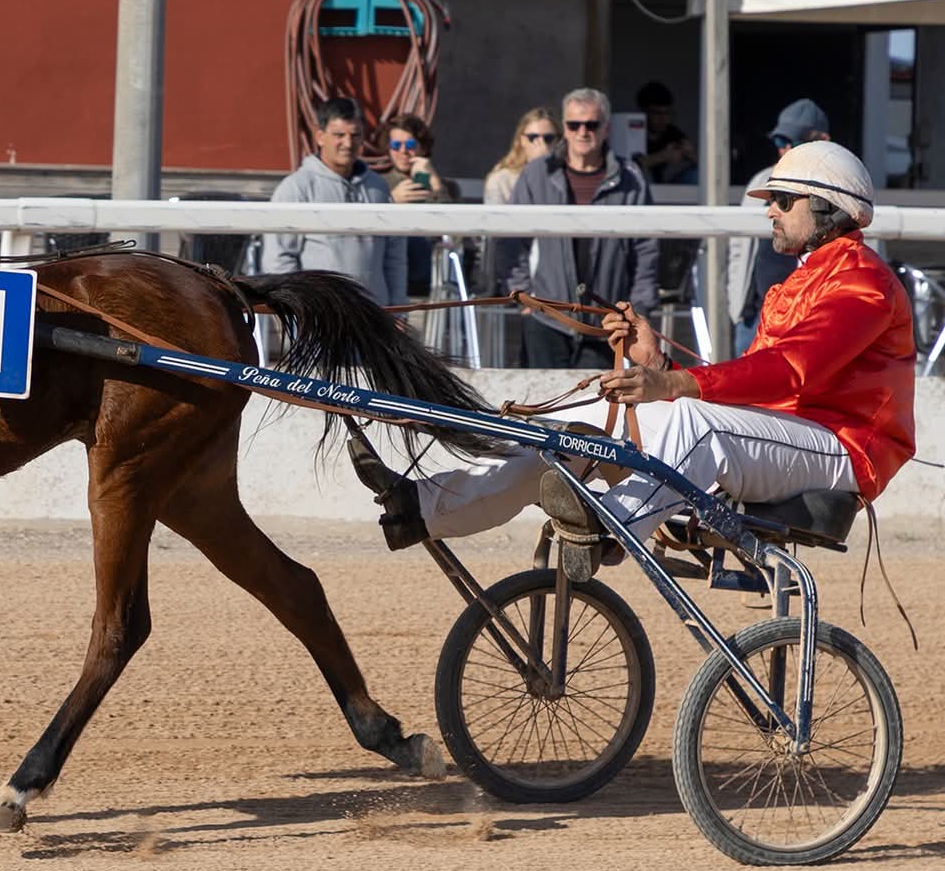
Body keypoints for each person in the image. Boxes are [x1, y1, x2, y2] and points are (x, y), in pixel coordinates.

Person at [352, 141, 915, 583]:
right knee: (582, 427)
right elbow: (753, 387)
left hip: (845, 449)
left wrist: (671, 384)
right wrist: (657, 361)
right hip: (785, 436)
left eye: (782, 201)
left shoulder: (864, 283)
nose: (769, 209)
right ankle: (421, 506)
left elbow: (790, 371)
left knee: (692, 422)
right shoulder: (800, 281)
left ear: (826, 208)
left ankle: (604, 526)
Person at [504, 87, 659, 368]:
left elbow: (646, 249)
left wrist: (638, 308)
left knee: (599, 396)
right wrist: (523, 294)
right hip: (547, 319)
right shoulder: (537, 174)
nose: (582, 132)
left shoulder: (631, 178)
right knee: (541, 395)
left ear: (606, 128)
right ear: (564, 127)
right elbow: (511, 239)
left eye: (591, 125)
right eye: (574, 125)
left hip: (607, 323)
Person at [263, 96, 407, 307]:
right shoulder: (296, 188)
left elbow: (395, 257)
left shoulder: (379, 188)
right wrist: (297, 309)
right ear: (320, 136)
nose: (348, 143)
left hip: (374, 314)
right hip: (320, 316)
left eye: (355, 135)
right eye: (339, 135)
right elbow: (279, 259)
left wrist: (399, 308)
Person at [728, 98, 832, 352]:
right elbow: (739, 246)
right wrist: (736, 302)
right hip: (756, 314)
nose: (784, 149)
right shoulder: (761, 181)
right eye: (778, 141)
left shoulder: (839, 187)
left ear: (822, 141)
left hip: (809, 314)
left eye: (792, 141)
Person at [382, 112, 455, 297]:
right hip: (393, 273)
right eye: (396, 145)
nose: (403, 151)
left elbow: (454, 232)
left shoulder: (447, 187)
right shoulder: (379, 183)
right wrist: (391, 200)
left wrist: (435, 184)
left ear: (423, 147)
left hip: (433, 279)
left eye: (410, 145)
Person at [482, 105, 559, 207]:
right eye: (533, 137)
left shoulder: (564, 176)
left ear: (558, 140)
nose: (542, 144)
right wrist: (539, 165)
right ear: (522, 141)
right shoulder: (501, 180)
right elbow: (495, 216)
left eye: (548, 138)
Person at [633, 80, 697, 185]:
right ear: (643, 112)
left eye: (667, 113)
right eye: (657, 113)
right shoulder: (634, 131)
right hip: (641, 186)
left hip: (664, 187)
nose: (663, 119)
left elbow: (704, 167)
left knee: (696, 175)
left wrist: (691, 155)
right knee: (643, 175)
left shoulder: (671, 132)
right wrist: (663, 156)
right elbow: (629, 167)